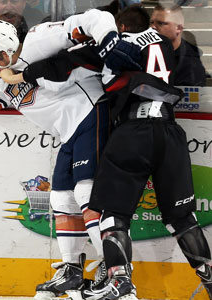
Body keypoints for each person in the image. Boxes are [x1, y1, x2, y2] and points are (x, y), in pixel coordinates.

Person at [0, 9, 138, 300]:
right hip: (68, 133)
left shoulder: (38, 40)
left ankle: (117, 275)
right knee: (60, 198)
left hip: (92, 112)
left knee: (88, 194)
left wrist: (111, 44)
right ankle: (72, 270)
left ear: (9, 46)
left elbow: (94, 17)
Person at [68, 5, 212, 300]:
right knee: (183, 218)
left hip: (133, 132)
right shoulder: (162, 41)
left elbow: (93, 75)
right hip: (170, 133)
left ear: (119, 27)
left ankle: (119, 282)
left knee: (113, 216)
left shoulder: (118, 45)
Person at [150, 4, 207, 86]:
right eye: (151, 22)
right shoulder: (145, 51)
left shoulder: (191, 65)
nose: (153, 27)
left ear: (179, 28)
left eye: (161, 23)